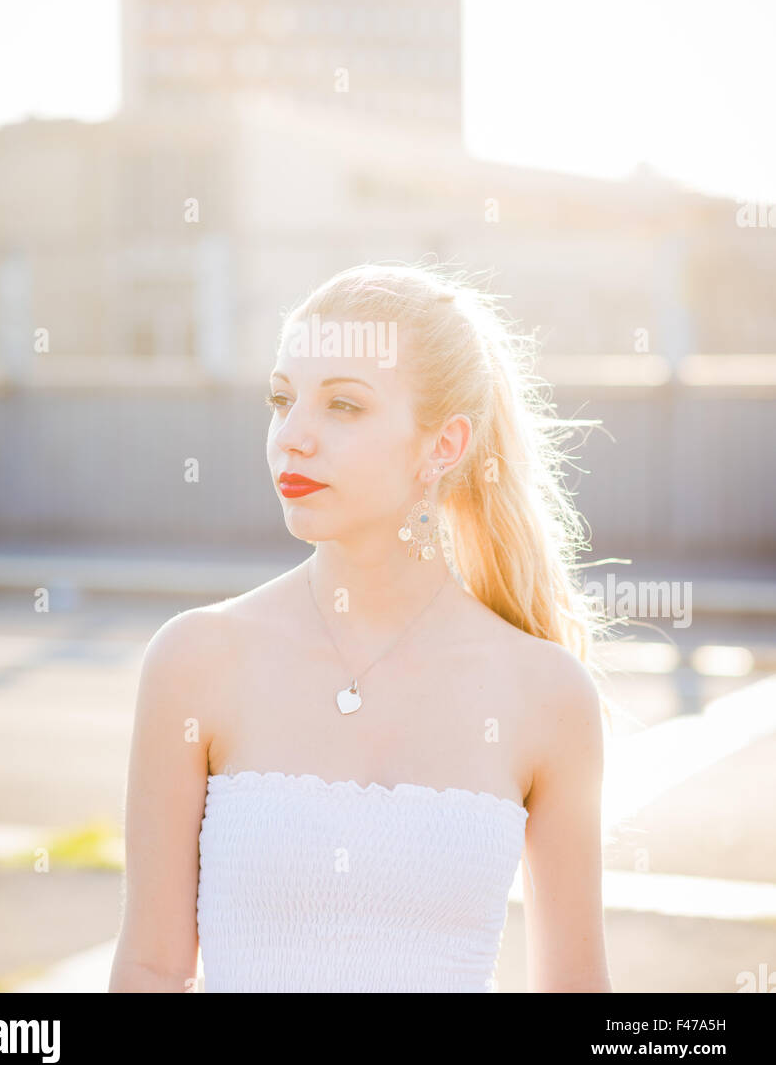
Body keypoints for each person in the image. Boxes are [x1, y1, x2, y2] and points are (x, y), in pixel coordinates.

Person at [109, 260, 615, 993]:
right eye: (281, 400)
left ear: (442, 445)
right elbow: (151, 968)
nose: (291, 438)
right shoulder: (195, 660)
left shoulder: (546, 692)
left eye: (342, 406)